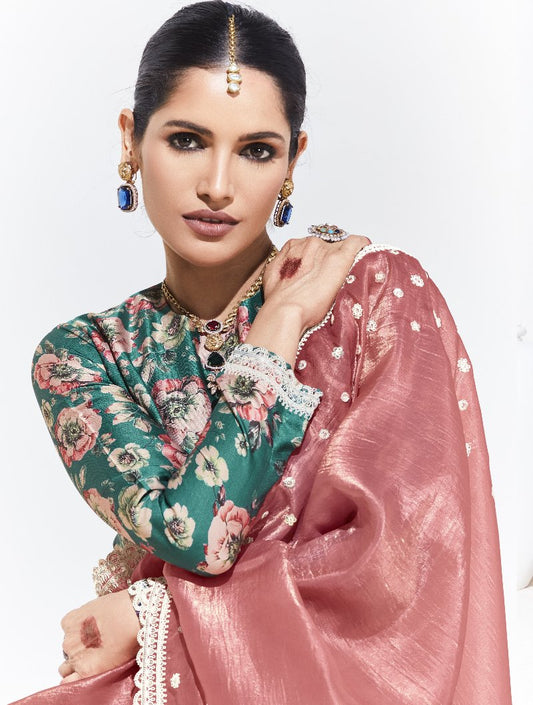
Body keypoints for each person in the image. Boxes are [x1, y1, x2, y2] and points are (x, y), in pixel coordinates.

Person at [14, 2, 513, 704]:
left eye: (255, 150)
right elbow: (196, 536)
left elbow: (409, 566)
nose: (218, 185)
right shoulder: (86, 355)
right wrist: (277, 329)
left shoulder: (373, 297)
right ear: (131, 137)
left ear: (292, 158)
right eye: (187, 140)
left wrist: (152, 615)